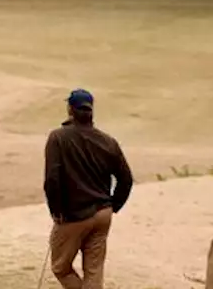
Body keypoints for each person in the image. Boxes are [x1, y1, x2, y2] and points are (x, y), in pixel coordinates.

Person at [44, 89, 134, 289]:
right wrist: (112, 206)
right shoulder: (108, 141)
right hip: (102, 214)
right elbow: (126, 179)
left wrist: (56, 211)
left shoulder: (58, 138)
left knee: (61, 267)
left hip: (72, 215)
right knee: (93, 272)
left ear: (70, 110)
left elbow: (52, 179)